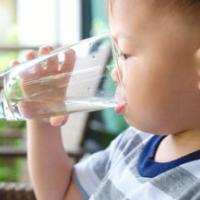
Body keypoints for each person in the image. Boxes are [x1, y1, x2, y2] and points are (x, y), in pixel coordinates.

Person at [12, 0, 200, 199]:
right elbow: (61, 194)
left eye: (125, 54)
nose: (114, 73)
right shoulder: (134, 142)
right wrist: (43, 120)